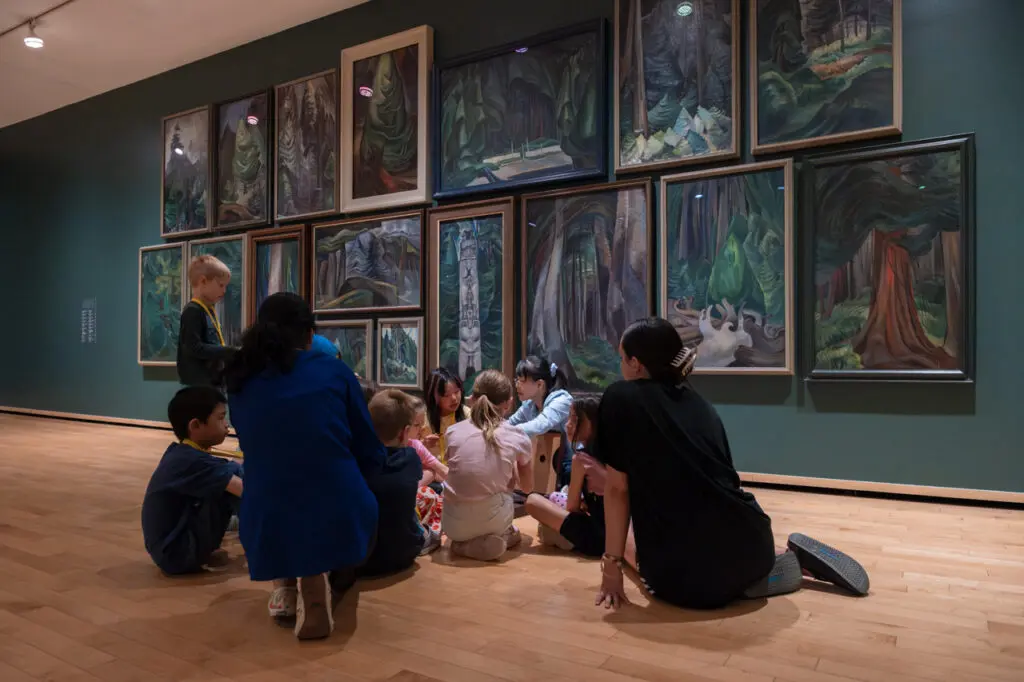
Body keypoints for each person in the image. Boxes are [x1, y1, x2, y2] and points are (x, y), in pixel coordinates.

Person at [593, 317, 869, 611]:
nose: (620, 366)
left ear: (636, 364)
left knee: (627, 540)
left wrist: (611, 568)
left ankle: (754, 572)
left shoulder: (620, 397)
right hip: (753, 542)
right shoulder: (700, 404)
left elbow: (617, 490)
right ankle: (775, 559)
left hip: (686, 580)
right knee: (710, 537)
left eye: (621, 358)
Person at [224, 292, 383, 640]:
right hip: (338, 511)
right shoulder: (334, 370)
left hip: (266, 517)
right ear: (310, 335)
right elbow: (367, 446)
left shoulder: (239, 379)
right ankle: (314, 578)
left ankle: (286, 583)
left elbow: (256, 445)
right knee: (348, 494)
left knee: (273, 485)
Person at [141, 386, 243, 576]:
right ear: (195, 425)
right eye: (220, 418)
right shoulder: (189, 461)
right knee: (236, 481)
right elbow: (245, 490)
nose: (226, 424)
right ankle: (270, 542)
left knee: (232, 472)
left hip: (171, 551)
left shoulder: (183, 453)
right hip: (176, 555)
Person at [442, 370, 533, 562]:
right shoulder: (517, 435)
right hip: (493, 520)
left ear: (472, 398)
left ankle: (462, 545)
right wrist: (513, 470)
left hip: (451, 524)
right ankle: (501, 537)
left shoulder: (452, 432)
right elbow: (527, 487)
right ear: (509, 403)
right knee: (517, 534)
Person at [364, 388, 442, 576]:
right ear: (404, 432)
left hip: (362, 559)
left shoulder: (357, 458)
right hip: (403, 554)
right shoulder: (410, 457)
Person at [524, 394, 606, 557]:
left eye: (575, 420)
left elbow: (572, 508)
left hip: (598, 539)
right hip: (618, 537)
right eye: (569, 419)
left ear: (593, 424)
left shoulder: (581, 460)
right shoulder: (611, 453)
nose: (568, 425)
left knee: (532, 501)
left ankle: (561, 538)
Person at [509, 356, 573, 485]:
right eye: (516, 380)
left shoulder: (561, 400)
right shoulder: (529, 405)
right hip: (546, 464)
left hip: (569, 466)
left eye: (521, 381)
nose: (516, 385)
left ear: (539, 384)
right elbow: (510, 422)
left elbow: (540, 425)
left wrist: (504, 432)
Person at [177, 255, 235, 387]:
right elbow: (194, 348)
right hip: (200, 384)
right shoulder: (192, 311)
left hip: (213, 380)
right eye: (221, 285)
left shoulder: (209, 310)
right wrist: (227, 351)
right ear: (203, 281)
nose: (224, 290)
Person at [422, 368, 470, 463]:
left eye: (456, 392)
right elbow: (407, 448)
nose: (454, 398)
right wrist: (423, 444)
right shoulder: (421, 418)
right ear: (433, 397)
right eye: (446, 395)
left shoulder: (468, 415)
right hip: (431, 470)